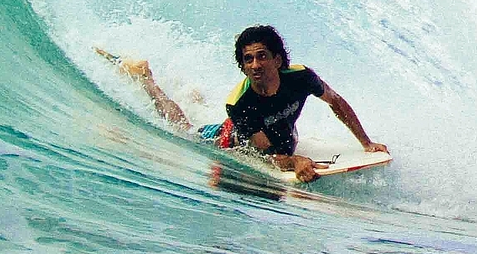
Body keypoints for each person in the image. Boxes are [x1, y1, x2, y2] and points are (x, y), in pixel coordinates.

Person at [96, 25, 386, 183]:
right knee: (184, 130)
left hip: (284, 139)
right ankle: (147, 80)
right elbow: (265, 155)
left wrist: (365, 142)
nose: (256, 64)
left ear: (277, 59)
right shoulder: (239, 104)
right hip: (228, 141)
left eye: (262, 56)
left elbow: (336, 102)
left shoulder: (301, 77)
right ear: (243, 66)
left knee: (285, 141)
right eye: (248, 59)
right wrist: (295, 161)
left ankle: (183, 92)